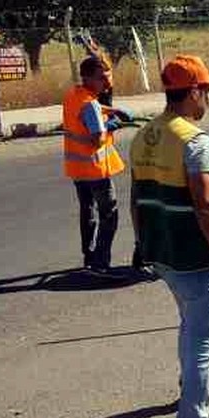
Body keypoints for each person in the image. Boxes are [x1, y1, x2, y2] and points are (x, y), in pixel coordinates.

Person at [130, 55, 209, 418]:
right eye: (207, 91)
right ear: (193, 91)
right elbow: (206, 207)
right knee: (203, 342)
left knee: (189, 324)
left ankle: (196, 382)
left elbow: (136, 199)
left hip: (163, 252)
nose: (208, 100)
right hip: (195, 257)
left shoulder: (145, 135)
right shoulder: (196, 142)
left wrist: (143, 244)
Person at [62, 56, 131, 276]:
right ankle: (101, 263)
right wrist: (112, 125)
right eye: (101, 78)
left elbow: (90, 107)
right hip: (95, 170)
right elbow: (96, 139)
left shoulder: (74, 95)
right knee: (109, 215)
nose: (107, 83)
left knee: (87, 210)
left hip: (78, 170)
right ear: (89, 78)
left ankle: (90, 256)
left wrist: (112, 110)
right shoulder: (90, 104)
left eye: (108, 77)